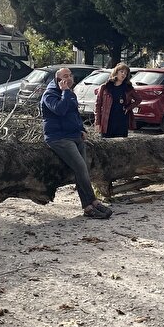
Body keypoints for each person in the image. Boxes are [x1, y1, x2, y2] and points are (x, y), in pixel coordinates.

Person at [41, 67, 113, 219]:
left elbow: (74, 113)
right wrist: (65, 92)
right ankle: (90, 203)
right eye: (65, 76)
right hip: (58, 137)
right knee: (80, 166)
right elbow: (59, 110)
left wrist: (82, 129)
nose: (69, 78)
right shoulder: (49, 94)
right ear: (58, 79)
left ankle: (89, 204)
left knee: (83, 169)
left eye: (70, 75)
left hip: (75, 135)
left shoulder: (70, 93)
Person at [95, 63, 139, 138]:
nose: (123, 74)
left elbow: (138, 99)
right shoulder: (105, 87)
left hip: (121, 120)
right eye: (121, 72)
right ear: (116, 72)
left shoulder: (128, 88)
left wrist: (129, 107)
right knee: (107, 143)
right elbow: (98, 105)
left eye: (125, 73)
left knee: (121, 144)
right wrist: (97, 122)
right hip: (108, 120)